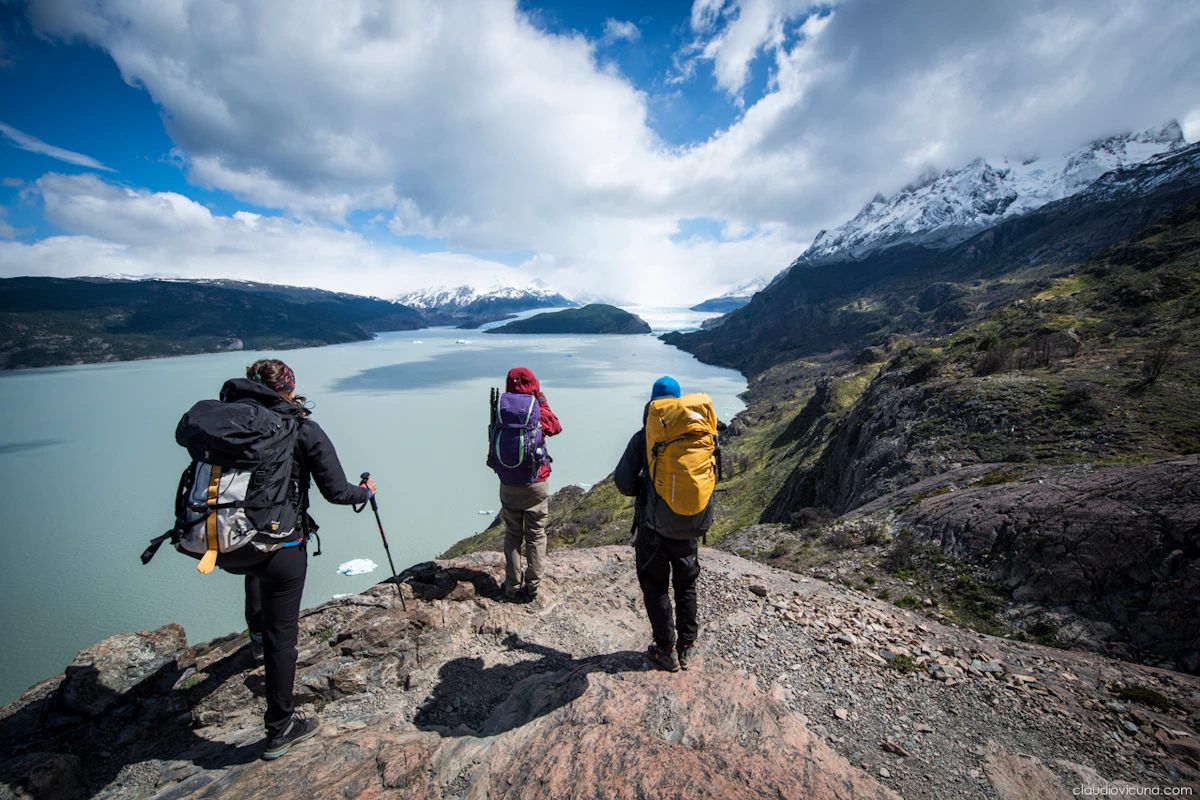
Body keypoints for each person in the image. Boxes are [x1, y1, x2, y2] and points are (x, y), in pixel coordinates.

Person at [217, 359, 376, 761]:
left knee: (256, 570)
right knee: (282, 638)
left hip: (230, 542)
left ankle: (254, 633)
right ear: (289, 388)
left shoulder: (233, 423)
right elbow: (337, 491)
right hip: (283, 547)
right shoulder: (301, 427)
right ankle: (280, 727)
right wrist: (366, 491)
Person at [614, 376, 715, 672]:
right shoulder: (700, 436)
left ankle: (664, 650)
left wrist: (645, 489)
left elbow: (623, 483)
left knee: (656, 586)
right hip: (690, 523)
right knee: (686, 585)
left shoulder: (644, 437)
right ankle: (687, 646)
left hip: (654, 528)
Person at [496, 367, 562, 602]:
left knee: (513, 534)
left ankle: (512, 586)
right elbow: (555, 427)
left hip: (509, 482)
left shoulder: (501, 410)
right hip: (536, 481)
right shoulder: (535, 410)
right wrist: (541, 400)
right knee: (535, 534)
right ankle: (533, 587)